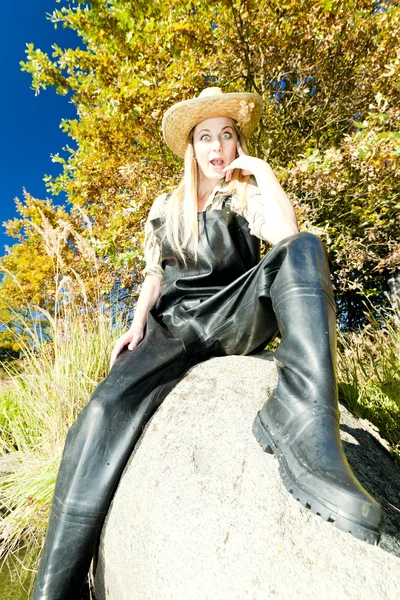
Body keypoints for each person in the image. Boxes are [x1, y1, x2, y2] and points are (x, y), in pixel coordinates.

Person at [32, 87, 382, 600]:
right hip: (174, 324)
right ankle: (56, 588)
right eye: (205, 137)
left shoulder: (243, 193)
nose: (216, 145)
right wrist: (135, 324)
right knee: (103, 409)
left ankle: (305, 425)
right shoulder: (164, 206)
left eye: (227, 134)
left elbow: (287, 237)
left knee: (305, 248)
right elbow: (154, 276)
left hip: (234, 311)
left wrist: (262, 172)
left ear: (237, 143)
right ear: (191, 148)